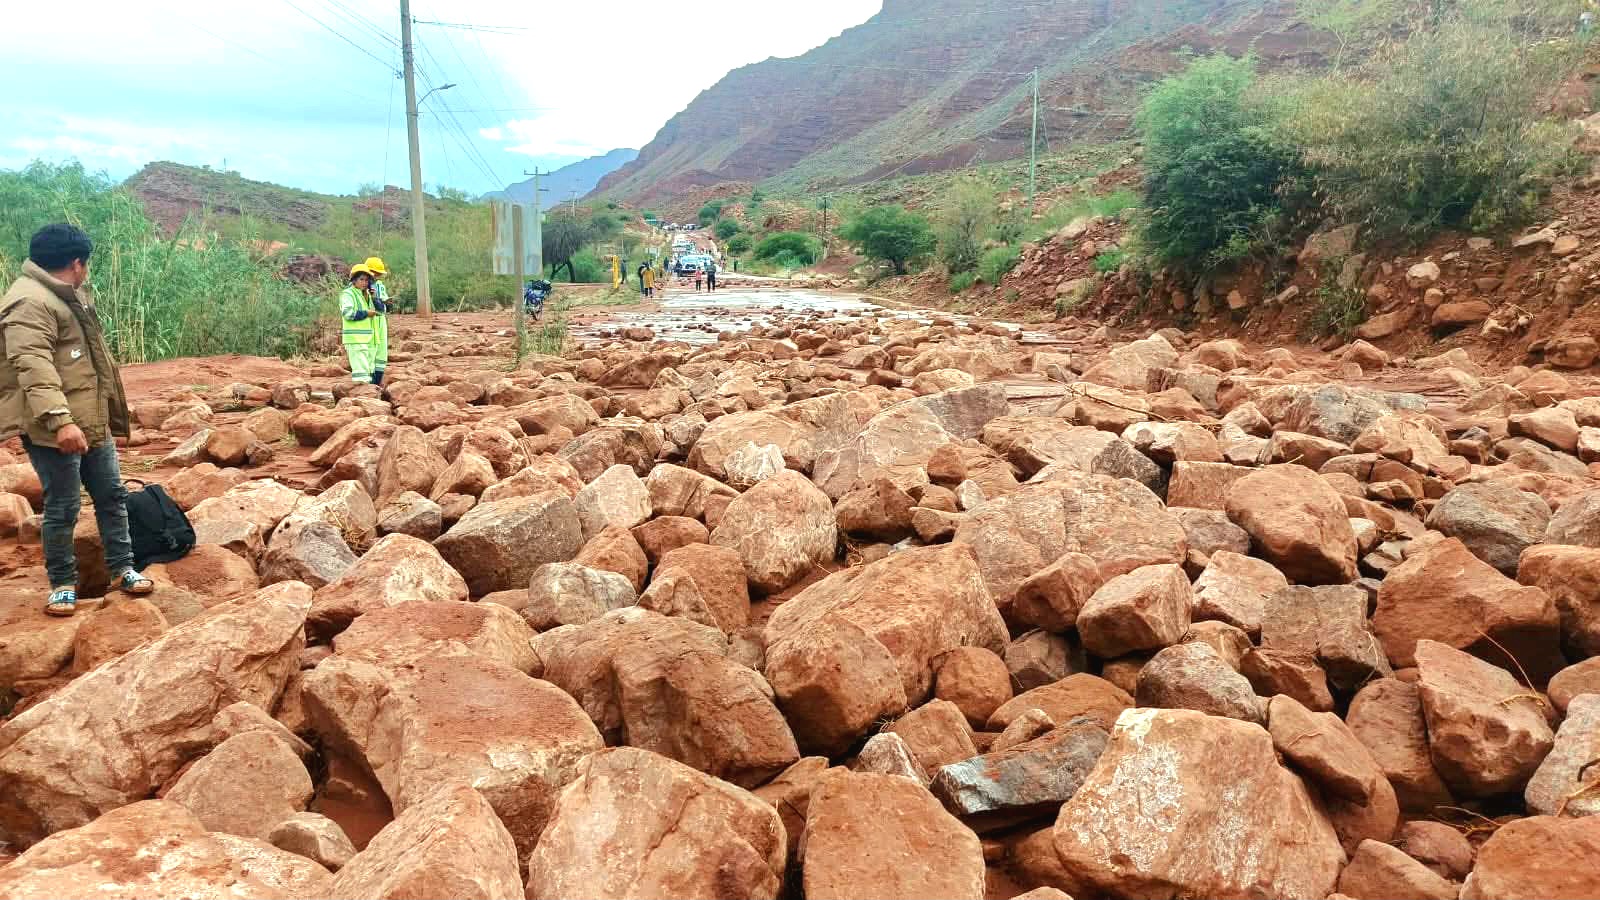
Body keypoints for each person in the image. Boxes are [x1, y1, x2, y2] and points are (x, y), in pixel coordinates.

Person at [0, 223, 154, 615]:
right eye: (86, 264)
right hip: (53, 426)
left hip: (89, 418)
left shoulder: (67, 294)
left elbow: (91, 363)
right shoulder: (29, 302)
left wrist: (107, 420)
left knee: (111, 495)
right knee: (63, 506)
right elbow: (32, 366)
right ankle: (63, 583)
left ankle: (123, 568)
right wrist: (60, 421)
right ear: (76, 262)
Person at [339, 264, 379, 385]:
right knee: (360, 374)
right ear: (354, 280)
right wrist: (366, 313)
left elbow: (380, 310)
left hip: (366, 339)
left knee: (366, 370)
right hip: (355, 338)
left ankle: (365, 394)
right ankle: (362, 396)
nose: (364, 283)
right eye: (361, 279)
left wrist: (374, 297)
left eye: (367, 280)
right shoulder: (348, 294)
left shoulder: (365, 295)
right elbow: (348, 314)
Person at [363, 256, 391, 386]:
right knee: (369, 351)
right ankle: (368, 382)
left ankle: (376, 383)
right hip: (367, 322)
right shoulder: (357, 287)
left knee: (381, 353)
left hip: (380, 321)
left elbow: (385, 307)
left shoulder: (379, 286)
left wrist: (377, 299)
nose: (376, 277)